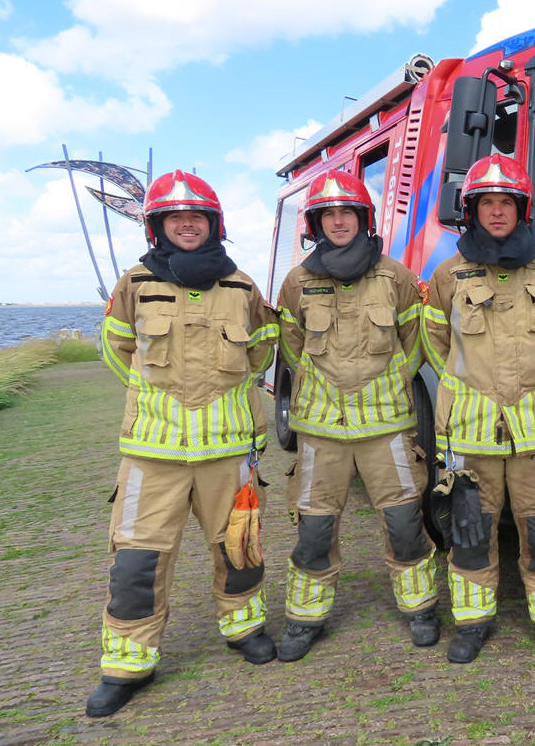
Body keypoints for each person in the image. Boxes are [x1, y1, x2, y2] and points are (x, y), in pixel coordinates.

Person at [89, 170, 279, 717]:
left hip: (227, 453)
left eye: (196, 216)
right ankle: (128, 664)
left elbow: (261, 353)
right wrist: (159, 400)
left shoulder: (242, 287)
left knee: (240, 547)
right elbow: (115, 351)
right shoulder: (135, 283)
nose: (187, 224)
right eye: (176, 217)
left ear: (212, 224)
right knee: (136, 561)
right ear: (158, 226)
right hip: (153, 455)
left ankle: (243, 629)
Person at [422, 153, 535, 666]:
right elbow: (435, 344)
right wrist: (468, 391)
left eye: (505, 203)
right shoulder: (449, 275)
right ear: (472, 211)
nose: (496, 212)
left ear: (522, 210)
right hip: (469, 434)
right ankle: (472, 623)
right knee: (470, 531)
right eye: (486, 203)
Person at [274, 169, 439, 661]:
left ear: (363, 218)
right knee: (314, 529)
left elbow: (417, 345)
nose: (339, 221)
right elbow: (292, 345)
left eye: (347, 212)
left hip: (386, 429)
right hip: (321, 432)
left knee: (405, 521)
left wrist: (385, 386)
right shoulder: (297, 281)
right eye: (329, 214)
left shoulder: (396, 277)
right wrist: (325, 389)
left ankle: (421, 609)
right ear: (316, 222)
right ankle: (305, 620)